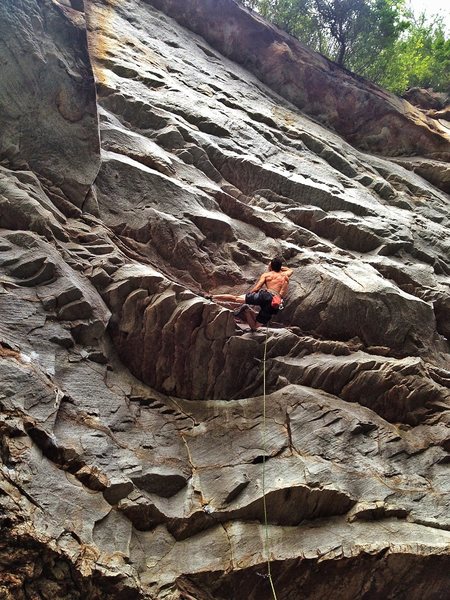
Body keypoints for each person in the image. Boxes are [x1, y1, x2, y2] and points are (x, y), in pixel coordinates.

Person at [210, 257, 293, 330]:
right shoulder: (285, 275)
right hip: (273, 302)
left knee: (236, 298)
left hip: (264, 295)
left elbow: (257, 287)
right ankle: (246, 310)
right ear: (280, 266)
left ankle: (212, 296)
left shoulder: (267, 275)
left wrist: (250, 294)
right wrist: (278, 266)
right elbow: (290, 270)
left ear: (271, 266)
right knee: (254, 327)